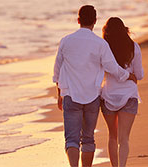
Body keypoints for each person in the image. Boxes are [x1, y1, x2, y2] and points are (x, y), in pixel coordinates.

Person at [52, 5, 136, 167]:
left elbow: (57, 70)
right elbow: (112, 67)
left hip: (70, 94)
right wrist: (128, 76)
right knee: (88, 138)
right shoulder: (100, 44)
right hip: (92, 97)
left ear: (78, 20)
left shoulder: (66, 41)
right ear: (95, 21)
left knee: (72, 139)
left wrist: (59, 93)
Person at [100, 17, 144, 167]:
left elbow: (101, 72)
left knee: (112, 136)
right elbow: (140, 75)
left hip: (108, 96)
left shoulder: (104, 48)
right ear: (124, 29)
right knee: (124, 138)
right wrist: (129, 74)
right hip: (129, 96)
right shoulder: (133, 47)